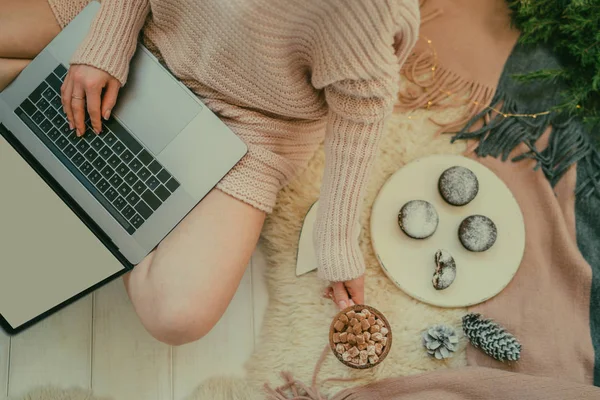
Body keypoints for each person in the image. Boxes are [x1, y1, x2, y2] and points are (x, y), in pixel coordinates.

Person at [0, 0, 420, 345]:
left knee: (177, 316)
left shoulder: (374, 9)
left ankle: (39, 84)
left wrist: (336, 241)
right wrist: (104, 46)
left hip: (253, 122)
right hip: (148, 26)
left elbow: (362, 108)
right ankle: (40, 83)